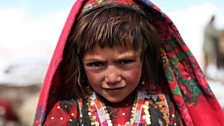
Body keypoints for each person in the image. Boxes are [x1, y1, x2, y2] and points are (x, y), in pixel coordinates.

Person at [33, 0, 224, 125]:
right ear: (79, 65)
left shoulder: (164, 110)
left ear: (145, 58)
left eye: (125, 61)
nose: (113, 77)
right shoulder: (67, 114)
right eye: (96, 64)